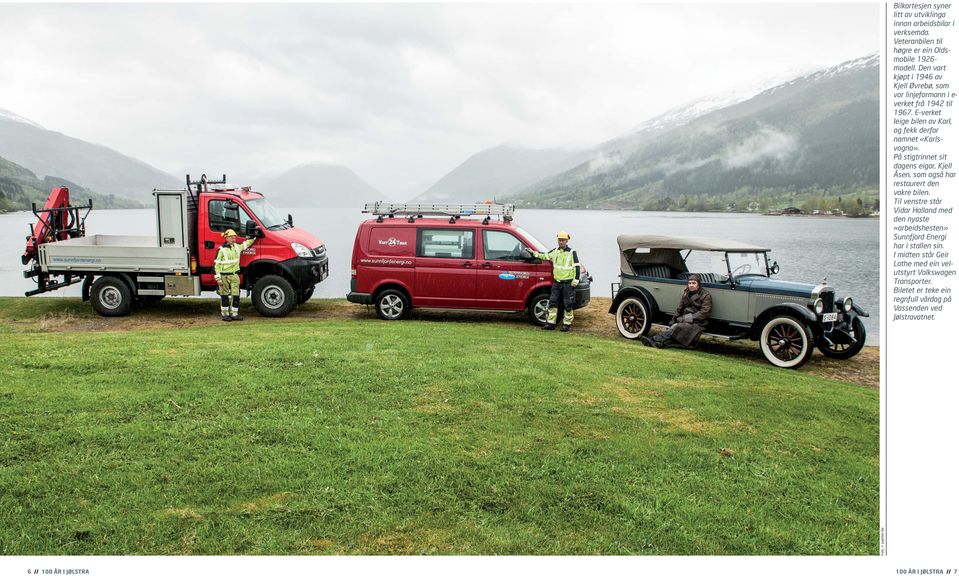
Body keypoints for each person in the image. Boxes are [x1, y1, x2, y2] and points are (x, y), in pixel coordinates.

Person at [527, 231, 581, 332]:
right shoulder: (555, 251)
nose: (561, 242)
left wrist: (576, 280)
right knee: (552, 302)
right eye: (559, 240)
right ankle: (551, 323)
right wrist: (532, 253)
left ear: (567, 240)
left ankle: (566, 324)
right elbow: (545, 256)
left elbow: (577, 267)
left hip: (568, 283)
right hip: (557, 283)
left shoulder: (572, 252)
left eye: (563, 240)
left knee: (568, 304)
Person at [641, 274, 712, 348]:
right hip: (685, 320)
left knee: (677, 327)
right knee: (675, 327)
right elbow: (680, 308)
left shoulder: (706, 295)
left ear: (698, 285)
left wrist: (685, 318)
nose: (691, 285)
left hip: (698, 322)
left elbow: (704, 313)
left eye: (694, 283)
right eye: (689, 283)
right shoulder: (686, 293)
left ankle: (653, 339)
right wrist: (673, 319)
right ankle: (657, 344)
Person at [214, 228, 256, 321]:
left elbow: (247, 243)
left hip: (234, 275)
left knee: (236, 295)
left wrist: (254, 236)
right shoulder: (221, 250)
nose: (234, 239)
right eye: (232, 238)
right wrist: (218, 278)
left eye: (234, 238)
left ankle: (234, 314)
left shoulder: (237, 247)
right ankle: (225, 315)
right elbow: (216, 265)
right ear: (226, 238)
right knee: (224, 296)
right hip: (223, 276)